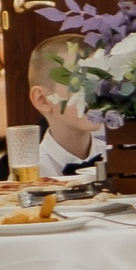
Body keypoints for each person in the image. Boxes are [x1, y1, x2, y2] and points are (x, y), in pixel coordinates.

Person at [27, 34, 98, 176]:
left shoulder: (123, 157)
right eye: (79, 82)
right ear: (42, 99)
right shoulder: (29, 171)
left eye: (99, 80)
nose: (95, 92)